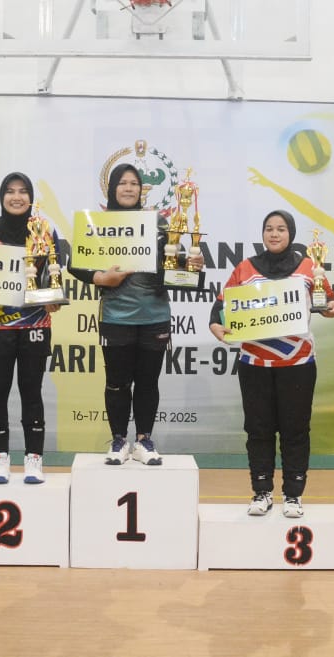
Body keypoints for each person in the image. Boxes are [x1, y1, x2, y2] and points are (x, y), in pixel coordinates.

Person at [67, 163, 204, 465]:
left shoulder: (158, 223)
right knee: (116, 383)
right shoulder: (99, 224)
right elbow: (74, 263)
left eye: (134, 183)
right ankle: (119, 440)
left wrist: (192, 263)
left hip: (154, 317)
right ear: (112, 188)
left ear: (142, 190)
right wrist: (101, 278)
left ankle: (144, 440)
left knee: (147, 383)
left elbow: (177, 260)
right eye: (122, 183)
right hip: (115, 318)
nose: (128, 188)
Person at [208, 210, 334, 518]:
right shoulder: (245, 268)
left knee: (296, 431)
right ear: (262, 233)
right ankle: (262, 491)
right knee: (258, 430)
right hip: (254, 364)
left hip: (298, 364)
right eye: (269, 228)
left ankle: (293, 495)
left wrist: (331, 307)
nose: (275, 234)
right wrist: (216, 326)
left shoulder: (308, 268)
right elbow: (220, 308)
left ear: (290, 233)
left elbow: (329, 302)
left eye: (281, 228)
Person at [0, 172, 61, 485]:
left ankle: (34, 459)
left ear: (31, 197)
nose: (16, 197)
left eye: (23, 191)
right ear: (1, 197)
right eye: (10, 191)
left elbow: (55, 275)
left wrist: (53, 300)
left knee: (32, 392)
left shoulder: (45, 230)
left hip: (36, 324)